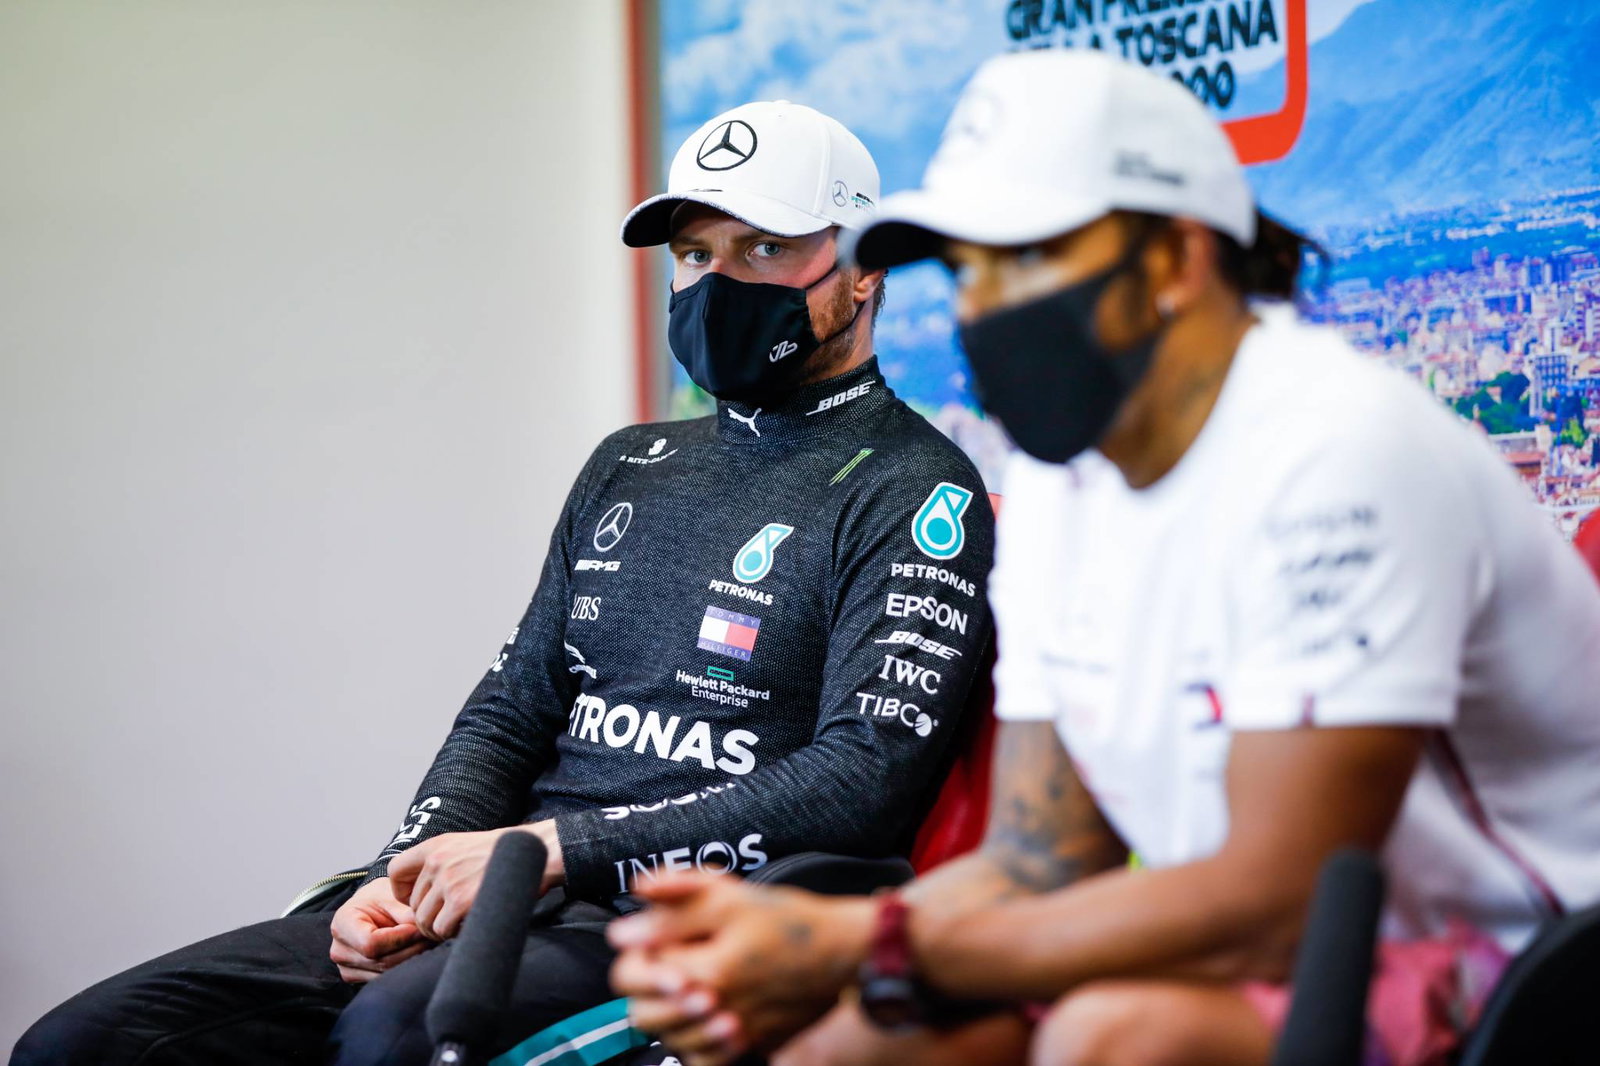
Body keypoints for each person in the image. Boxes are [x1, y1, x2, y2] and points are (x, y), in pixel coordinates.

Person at [608, 51, 1600, 1066]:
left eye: (1026, 258)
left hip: (1523, 965)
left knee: (1108, 1039)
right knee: (847, 1045)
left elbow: (1281, 901)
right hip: (1231, 949)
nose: (986, 305)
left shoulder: (1339, 446)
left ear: (1173, 258)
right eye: (967, 272)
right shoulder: (1059, 480)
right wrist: (783, 963)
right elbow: (1041, 857)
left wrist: (856, 940)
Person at [12, 100, 995, 1066]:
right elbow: (514, 704)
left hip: (685, 929)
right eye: (695, 255)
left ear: (861, 268)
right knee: (83, 1041)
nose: (717, 283)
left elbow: (860, 779)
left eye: (762, 250)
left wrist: (558, 847)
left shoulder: (916, 490)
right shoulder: (629, 462)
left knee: (396, 1033)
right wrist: (401, 875)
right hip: (513, 892)